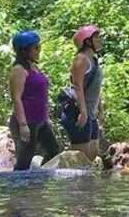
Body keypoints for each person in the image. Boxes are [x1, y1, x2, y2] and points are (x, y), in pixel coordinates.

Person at [8, 29, 60, 170]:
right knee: (24, 162)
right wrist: (23, 125)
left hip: (40, 121)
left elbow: (41, 95)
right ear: (24, 50)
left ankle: (38, 183)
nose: (39, 50)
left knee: (53, 152)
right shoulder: (19, 69)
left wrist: (47, 117)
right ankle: (20, 190)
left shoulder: (33, 67)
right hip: (26, 122)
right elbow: (17, 99)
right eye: (36, 47)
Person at [61, 24, 105, 161]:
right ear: (87, 41)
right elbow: (77, 87)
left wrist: (101, 110)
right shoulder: (80, 59)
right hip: (78, 112)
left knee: (92, 156)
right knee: (82, 161)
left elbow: (95, 88)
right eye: (96, 37)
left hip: (89, 113)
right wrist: (83, 111)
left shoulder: (93, 60)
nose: (100, 40)